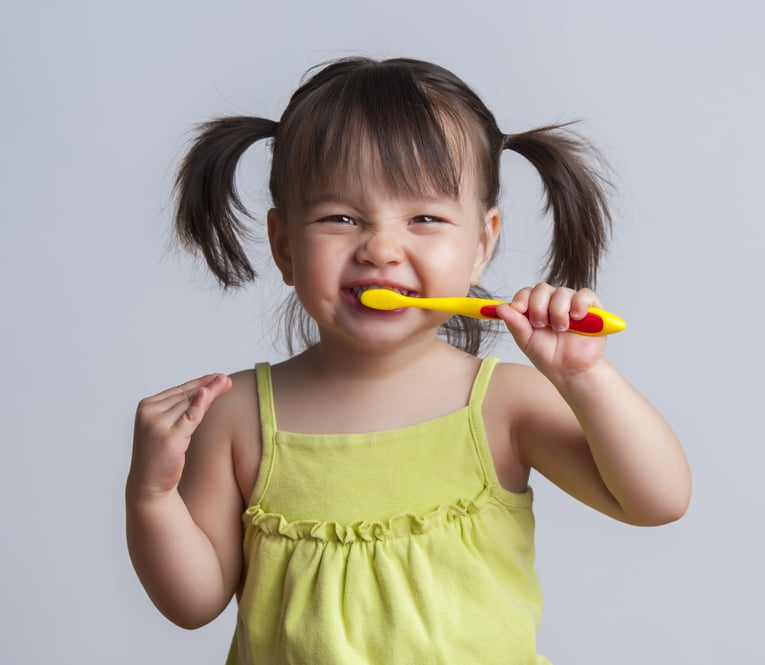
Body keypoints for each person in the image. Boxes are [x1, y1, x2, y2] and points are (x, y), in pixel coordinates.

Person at [126, 56, 691, 664]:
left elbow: (656, 501)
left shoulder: (503, 404)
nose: (381, 249)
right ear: (285, 245)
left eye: (424, 218)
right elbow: (193, 604)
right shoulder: (235, 415)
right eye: (340, 217)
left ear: (480, 245)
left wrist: (585, 377)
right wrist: (151, 496)